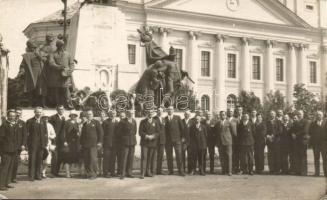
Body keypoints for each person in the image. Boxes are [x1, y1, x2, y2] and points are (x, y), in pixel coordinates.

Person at [17, 40, 47, 107]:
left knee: (42, 88)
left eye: (34, 47)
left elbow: (46, 61)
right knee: (30, 89)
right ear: (29, 48)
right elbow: (22, 65)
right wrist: (22, 71)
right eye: (31, 47)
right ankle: (30, 104)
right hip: (31, 73)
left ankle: (43, 104)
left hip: (41, 72)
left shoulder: (42, 54)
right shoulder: (27, 55)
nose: (33, 48)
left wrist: (38, 55)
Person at [48, 40, 74, 109]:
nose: (61, 47)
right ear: (57, 46)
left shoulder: (67, 54)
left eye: (62, 45)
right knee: (56, 91)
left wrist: (70, 71)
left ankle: (69, 105)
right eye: (60, 45)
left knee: (66, 90)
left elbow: (71, 63)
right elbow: (51, 63)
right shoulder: (53, 54)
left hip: (65, 76)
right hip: (56, 76)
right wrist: (59, 67)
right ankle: (58, 105)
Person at [80, 109, 103, 179]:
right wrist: (81, 143)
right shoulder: (84, 124)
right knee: (86, 160)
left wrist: (100, 142)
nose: (88, 116)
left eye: (90, 114)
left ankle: (94, 174)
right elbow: (82, 135)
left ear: (92, 115)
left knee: (93, 160)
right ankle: (88, 173)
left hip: (93, 144)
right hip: (85, 145)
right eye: (87, 114)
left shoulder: (96, 122)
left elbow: (101, 133)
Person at [26, 107, 48, 181]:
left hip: (41, 144)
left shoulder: (43, 121)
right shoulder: (29, 121)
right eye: (37, 112)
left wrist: (45, 143)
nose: (39, 113)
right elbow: (27, 134)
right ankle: (31, 176)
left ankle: (38, 175)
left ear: (42, 113)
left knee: (39, 160)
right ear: (34, 112)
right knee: (32, 160)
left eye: (40, 112)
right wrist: (27, 144)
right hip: (33, 144)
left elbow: (45, 133)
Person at [0, 110, 18, 190]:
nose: (12, 117)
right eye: (10, 116)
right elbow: (1, 138)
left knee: (10, 167)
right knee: (4, 168)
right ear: (8, 116)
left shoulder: (15, 125)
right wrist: (6, 146)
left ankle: (7, 183)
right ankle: (1, 185)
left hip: (13, 150)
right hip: (6, 150)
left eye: (13, 116)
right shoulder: (4, 125)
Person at [165, 106, 185, 176]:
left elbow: (182, 128)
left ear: (173, 110)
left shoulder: (178, 117)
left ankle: (181, 171)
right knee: (169, 156)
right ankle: (170, 171)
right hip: (168, 141)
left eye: (171, 109)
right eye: (168, 109)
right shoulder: (164, 119)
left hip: (177, 140)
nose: (170, 111)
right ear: (167, 111)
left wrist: (182, 137)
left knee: (179, 156)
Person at [139, 110, 159, 179]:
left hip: (152, 143)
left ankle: (148, 172)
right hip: (144, 143)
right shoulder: (143, 121)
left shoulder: (155, 122)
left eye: (151, 113)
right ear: (147, 114)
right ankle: (142, 173)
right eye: (149, 113)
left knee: (150, 158)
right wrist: (146, 136)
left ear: (153, 114)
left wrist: (153, 136)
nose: (150, 114)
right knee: (144, 157)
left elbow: (158, 132)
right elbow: (140, 132)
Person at [118, 111, 137, 179]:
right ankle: (122, 173)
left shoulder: (134, 121)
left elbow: (135, 131)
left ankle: (129, 172)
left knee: (131, 158)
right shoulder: (122, 122)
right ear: (127, 114)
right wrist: (125, 138)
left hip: (132, 142)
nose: (131, 115)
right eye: (130, 114)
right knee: (124, 158)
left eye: (132, 114)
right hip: (125, 143)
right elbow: (119, 133)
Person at [215, 111, 234, 176]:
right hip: (220, 142)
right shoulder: (217, 123)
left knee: (229, 156)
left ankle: (229, 171)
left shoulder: (229, 122)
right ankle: (224, 170)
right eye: (221, 115)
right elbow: (216, 133)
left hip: (228, 141)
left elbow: (233, 132)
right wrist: (217, 142)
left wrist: (231, 140)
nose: (222, 116)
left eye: (223, 115)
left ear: (225, 115)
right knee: (222, 157)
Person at [61, 111, 80, 178]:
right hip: (68, 143)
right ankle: (67, 173)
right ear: (70, 116)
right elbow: (63, 133)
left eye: (74, 115)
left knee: (72, 158)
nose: (73, 116)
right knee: (67, 158)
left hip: (74, 143)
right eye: (72, 115)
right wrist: (65, 141)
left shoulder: (77, 123)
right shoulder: (67, 122)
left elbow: (77, 133)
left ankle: (70, 172)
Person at [49, 105, 66, 177]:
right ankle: (53, 172)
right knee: (55, 157)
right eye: (59, 109)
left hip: (61, 141)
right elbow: (49, 128)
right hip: (54, 140)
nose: (61, 111)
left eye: (62, 109)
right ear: (57, 110)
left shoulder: (63, 118)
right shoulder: (53, 118)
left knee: (60, 157)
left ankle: (56, 172)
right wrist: (52, 139)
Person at [11, 108, 27, 183]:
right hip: (10, 145)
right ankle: (7, 178)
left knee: (15, 162)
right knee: (9, 162)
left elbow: (24, 135)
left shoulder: (22, 123)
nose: (18, 114)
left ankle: (13, 177)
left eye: (20, 113)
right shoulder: (10, 122)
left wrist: (23, 144)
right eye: (17, 113)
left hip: (18, 146)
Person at [292, 110, 310, 176]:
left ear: (303, 114)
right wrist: (292, 134)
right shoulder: (296, 122)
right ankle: (298, 171)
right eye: (298, 114)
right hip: (296, 142)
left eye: (300, 114)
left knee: (303, 156)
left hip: (303, 141)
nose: (299, 115)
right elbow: (293, 129)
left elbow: (305, 130)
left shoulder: (306, 121)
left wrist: (296, 134)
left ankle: (304, 172)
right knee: (297, 156)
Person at [309, 111, 326, 176]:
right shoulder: (312, 123)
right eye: (317, 115)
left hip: (324, 144)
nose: (318, 116)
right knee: (316, 159)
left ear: (322, 115)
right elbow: (310, 133)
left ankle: (325, 173)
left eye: (320, 115)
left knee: (325, 159)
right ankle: (317, 172)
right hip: (315, 144)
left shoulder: (326, 122)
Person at [102, 110, 117, 177]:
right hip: (107, 143)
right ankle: (105, 173)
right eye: (112, 113)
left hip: (114, 144)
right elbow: (102, 134)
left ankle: (112, 172)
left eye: (114, 113)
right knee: (106, 158)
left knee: (113, 158)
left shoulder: (117, 122)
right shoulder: (105, 122)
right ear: (109, 114)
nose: (113, 114)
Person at [153, 107, 166, 175]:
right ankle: (152, 170)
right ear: (156, 111)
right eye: (158, 110)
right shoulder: (154, 118)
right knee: (154, 156)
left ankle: (159, 170)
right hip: (155, 140)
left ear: (163, 111)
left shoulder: (164, 119)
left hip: (162, 140)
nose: (160, 112)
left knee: (160, 156)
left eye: (161, 111)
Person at [233, 106, 243, 174]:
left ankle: (243, 169)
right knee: (236, 155)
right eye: (237, 110)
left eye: (240, 110)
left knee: (243, 155)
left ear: (242, 110)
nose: (239, 111)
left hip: (244, 141)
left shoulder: (245, 118)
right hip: (236, 140)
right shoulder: (234, 119)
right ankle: (236, 168)